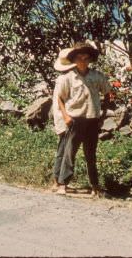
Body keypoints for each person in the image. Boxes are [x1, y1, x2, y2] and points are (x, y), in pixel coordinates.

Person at [51, 41, 111, 198]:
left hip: (92, 119)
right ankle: (62, 184)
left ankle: (95, 185)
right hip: (75, 120)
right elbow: (60, 98)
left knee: (91, 154)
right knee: (69, 153)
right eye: (79, 58)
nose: (82, 61)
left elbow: (107, 93)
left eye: (86, 58)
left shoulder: (97, 77)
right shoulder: (68, 78)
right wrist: (65, 116)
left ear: (90, 59)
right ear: (74, 60)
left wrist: (103, 114)